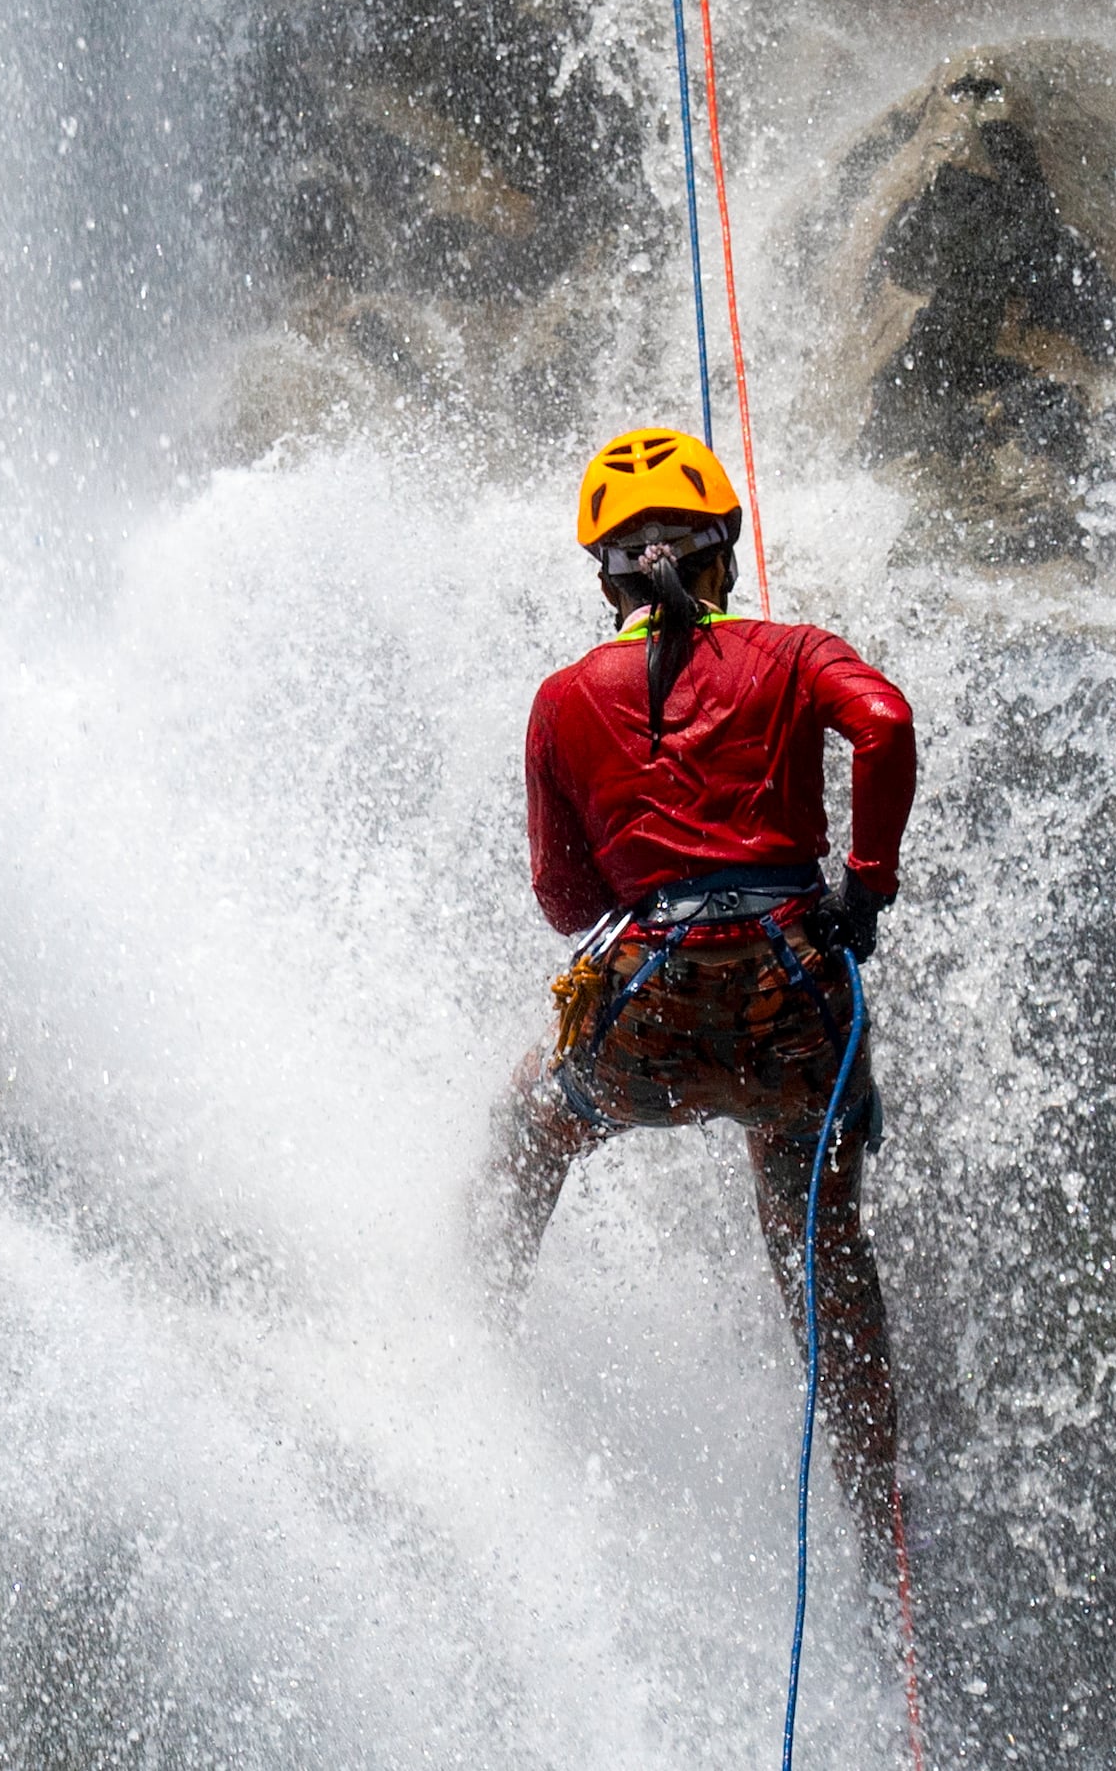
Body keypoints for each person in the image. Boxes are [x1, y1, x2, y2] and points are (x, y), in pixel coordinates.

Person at [485, 426, 917, 1461]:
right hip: (796, 998)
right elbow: (885, 724)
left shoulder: (561, 698)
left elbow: (561, 900)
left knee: (526, 1127)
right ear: (720, 550)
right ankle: (877, 1496)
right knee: (811, 1224)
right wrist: (864, 881)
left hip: (649, 1008)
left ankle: (469, 1340)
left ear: (605, 578)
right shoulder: (794, 652)